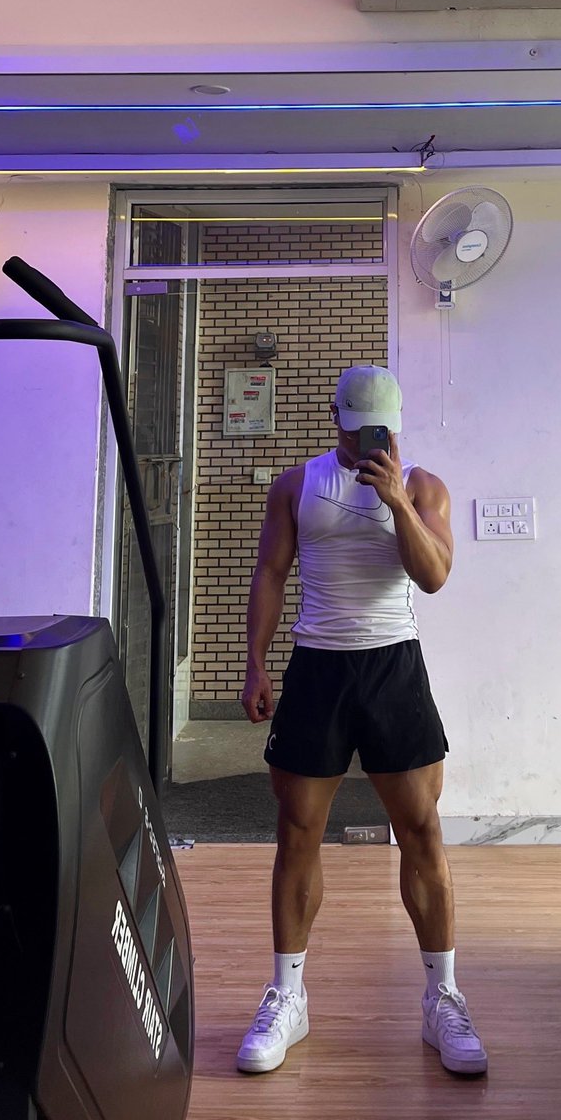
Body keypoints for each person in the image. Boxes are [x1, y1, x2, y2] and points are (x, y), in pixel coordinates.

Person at [236, 364, 487, 1076]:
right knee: (297, 831)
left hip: (392, 667)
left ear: (395, 425)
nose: (364, 441)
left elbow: (433, 576)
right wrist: (254, 665)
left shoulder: (424, 487)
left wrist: (397, 501)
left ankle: (442, 998)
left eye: (377, 430)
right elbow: (270, 572)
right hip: (318, 668)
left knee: (421, 830)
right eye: (354, 430)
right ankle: (288, 996)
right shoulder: (297, 485)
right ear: (336, 419)